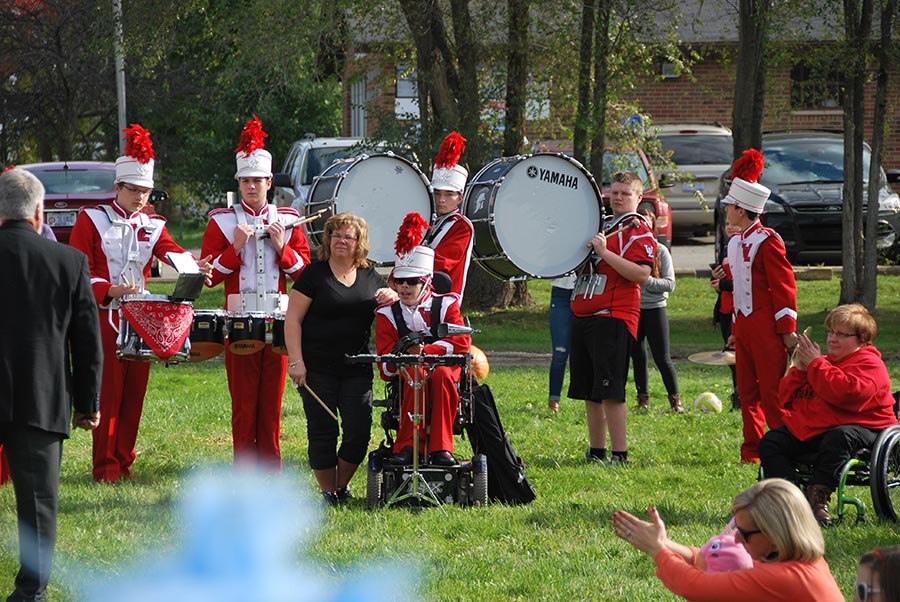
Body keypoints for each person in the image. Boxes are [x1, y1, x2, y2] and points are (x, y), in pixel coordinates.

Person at [69, 124, 212, 483]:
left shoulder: (153, 224)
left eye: (146, 192)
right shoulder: (92, 219)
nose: (140, 198)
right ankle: (104, 468)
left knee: (134, 396)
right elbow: (77, 270)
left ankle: (124, 461)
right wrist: (111, 290)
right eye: (133, 190)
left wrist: (196, 265)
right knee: (109, 394)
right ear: (117, 188)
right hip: (104, 316)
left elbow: (172, 251)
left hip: (142, 318)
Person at [0, 167, 103, 601]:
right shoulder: (68, 262)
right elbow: (87, 341)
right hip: (40, 396)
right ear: (39, 212)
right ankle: (30, 593)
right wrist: (87, 403)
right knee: (38, 504)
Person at [201, 116, 310, 471]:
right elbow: (210, 278)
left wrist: (284, 248)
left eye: (257, 181)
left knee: (272, 400)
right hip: (238, 318)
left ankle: (271, 465)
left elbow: (306, 276)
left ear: (269, 182)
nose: (251, 186)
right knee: (244, 401)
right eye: (245, 181)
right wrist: (234, 248)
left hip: (279, 319)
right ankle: (244, 468)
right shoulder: (220, 220)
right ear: (239, 183)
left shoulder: (290, 218)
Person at [284, 213, 395, 505]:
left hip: (357, 368)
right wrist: (296, 362)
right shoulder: (314, 274)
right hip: (317, 367)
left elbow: (395, 309)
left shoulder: (372, 277)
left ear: (360, 242)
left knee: (358, 431)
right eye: (336, 235)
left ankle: (340, 486)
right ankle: (327, 493)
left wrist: (391, 295)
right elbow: (292, 319)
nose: (342, 241)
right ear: (328, 239)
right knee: (323, 430)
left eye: (349, 237)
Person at [758, 304, 898, 526]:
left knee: (839, 437)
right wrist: (801, 371)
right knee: (771, 442)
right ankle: (791, 498)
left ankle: (817, 499)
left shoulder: (870, 364)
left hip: (865, 428)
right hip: (820, 427)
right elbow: (785, 398)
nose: (832, 339)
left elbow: (845, 394)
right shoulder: (823, 363)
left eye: (841, 334)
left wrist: (815, 364)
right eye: (831, 332)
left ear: (861, 339)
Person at [611, 478, 844, 601]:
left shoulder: (783, 577)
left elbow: (696, 587)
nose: (737, 541)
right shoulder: (798, 562)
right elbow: (714, 561)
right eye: (735, 530)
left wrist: (658, 550)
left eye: (744, 533)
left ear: (774, 535)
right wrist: (666, 543)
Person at [569, 171, 657, 465]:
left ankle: (620, 454)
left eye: (625, 193)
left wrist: (604, 253)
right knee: (590, 392)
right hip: (584, 311)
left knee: (611, 391)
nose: (618, 198)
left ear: (638, 197)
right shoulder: (602, 225)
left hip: (613, 315)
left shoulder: (638, 230)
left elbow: (642, 274)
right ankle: (597, 452)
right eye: (615, 192)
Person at [375, 214, 470, 466]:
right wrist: (405, 356)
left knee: (439, 375)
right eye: (399, 281)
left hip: (444, 371)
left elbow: (461, 344)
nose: (404, 287)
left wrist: (426, 351)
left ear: (427, 282)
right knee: (414, 375)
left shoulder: (446, 304)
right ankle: (407, 446)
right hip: (408, 374)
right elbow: (385, 367)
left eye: (412, 282)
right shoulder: (387, 314)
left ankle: (441, 448)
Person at [722, 149, 798, 463]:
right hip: (746, 326)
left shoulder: (768, 240)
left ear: (742, 210)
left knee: (772, 393)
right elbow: (740, 291)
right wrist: (734, 330)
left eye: (730, 206)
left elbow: (784, 288)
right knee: (747, 392)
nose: (726, 210)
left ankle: (783, 449)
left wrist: (786, 331)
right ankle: (751, 450)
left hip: (767, 327)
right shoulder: (734, 242)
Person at [631, 209, 681, 412]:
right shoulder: (630, 250)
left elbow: (670, 284)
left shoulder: (660, 250)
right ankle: (643, 399)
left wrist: (646, 280)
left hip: (655, 309)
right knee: (638, 356)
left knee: (662, 357)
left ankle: (675, 401)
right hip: (634, 309)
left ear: (651, 225)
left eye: (645, 222)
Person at [422, 131, 474, 302]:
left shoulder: (462, 226)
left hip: (443, 301)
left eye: (449, 194)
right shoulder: (428, 218)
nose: (441, 200)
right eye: (437, 193)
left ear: (460, 197)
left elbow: (441, 263)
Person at [711, 222, 742, 411]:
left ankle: (741, 398)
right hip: (724, 310)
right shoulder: (725, 248)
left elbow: (745, 284)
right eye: (727, 224)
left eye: (734, 225)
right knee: (730, 357)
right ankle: (737, 395)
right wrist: (715, 277)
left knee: (737, 358)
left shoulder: (743, 249)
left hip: (738, 311)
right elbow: (720, 280)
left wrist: (722, 285)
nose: (729, 227)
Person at [547, 273, 576, 413]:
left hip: (586, 289)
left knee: (587, 353)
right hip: (560, 292)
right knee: (560, 352)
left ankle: (593, 399)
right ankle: (554, 400)